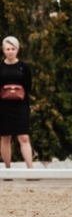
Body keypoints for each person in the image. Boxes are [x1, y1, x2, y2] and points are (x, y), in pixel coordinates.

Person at [0, 36, 34, 169]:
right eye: (7, 49)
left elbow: (28, 85)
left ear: (17, 49)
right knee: (5, 138)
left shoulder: (23, 67)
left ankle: (30, 170)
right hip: (3, 106)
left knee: (24, 137)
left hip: (21, 106)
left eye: (12, 49)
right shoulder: (0, 67)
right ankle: (8, 169)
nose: (10, 51)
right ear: (3, 50)